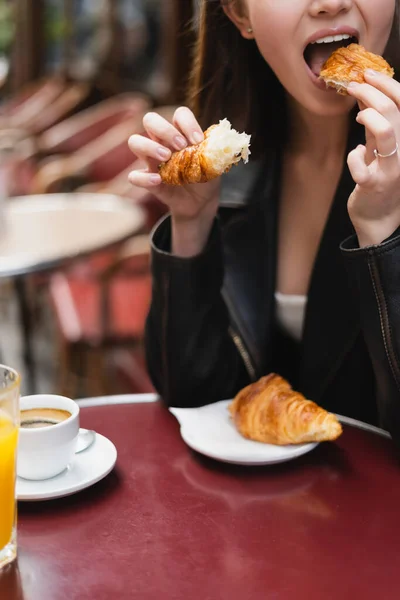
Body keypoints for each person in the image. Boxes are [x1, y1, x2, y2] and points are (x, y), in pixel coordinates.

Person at [128, 0, 400, 445]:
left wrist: (385, 233)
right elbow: (194, 398)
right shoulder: (235, 162)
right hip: (256, 508)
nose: (330, 3)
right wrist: (192, 225)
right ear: (239, 14)